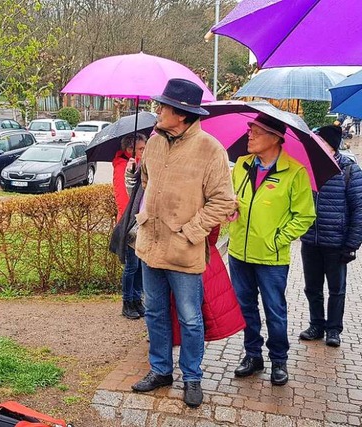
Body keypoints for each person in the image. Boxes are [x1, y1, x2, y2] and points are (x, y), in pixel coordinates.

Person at [130, 78, 235, 408]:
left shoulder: (210, 150)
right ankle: (160, 370)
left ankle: (192, 377)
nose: (158, 111)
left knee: (191, 319)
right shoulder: (156, 142)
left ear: (182, 114)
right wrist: (142, 205)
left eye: (164, 107)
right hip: (150, 246)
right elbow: (147, 180)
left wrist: (192, 231)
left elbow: (223, 201)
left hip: (184, 251)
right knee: (155, 313)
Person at [228, 113, 315, 387]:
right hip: (239, 253)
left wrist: (277, 239)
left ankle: (279, 360)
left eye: (256, 131)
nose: (249, 135)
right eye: (249, 130)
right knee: (245, 309)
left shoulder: (295, 172)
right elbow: (228, 198)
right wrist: (228, 209)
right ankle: (252, 355)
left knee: (274, 310)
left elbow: (304, 216)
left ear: (276, 138)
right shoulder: (241, 165)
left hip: (270, 257)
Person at [299, 125, 362, 347]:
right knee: (312, 287)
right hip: (311, 240)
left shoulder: (349, 171)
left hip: (336, 243)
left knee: (337, 289)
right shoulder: (307, 169)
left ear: (331, 146)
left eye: (320, 142)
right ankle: (317, 324)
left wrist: (352, 243)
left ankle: (334, 330)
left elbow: (359, 210)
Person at [112, 133, 147, 319]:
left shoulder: (138, 165)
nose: (144, 151)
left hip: (139, 221)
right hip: (130, 223)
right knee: (132, 266)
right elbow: (124, 198)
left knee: (140, 265)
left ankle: (136, 300)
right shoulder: (122, 167)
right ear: (129, 150)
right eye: (141, 149)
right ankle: (128, 301)